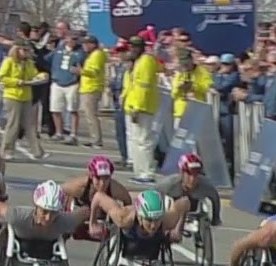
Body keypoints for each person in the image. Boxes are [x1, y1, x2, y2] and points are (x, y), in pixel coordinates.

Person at [89, 189, 190, 266]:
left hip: (149, 252)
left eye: (157, 219)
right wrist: (92, 223)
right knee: (117, 231)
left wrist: (178, 230)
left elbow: (185, 202)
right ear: (140, 217)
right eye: (149, 220)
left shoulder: (166, 220)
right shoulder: (123, 217)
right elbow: (98, 197)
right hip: (125, 248)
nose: (153, 225)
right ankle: (114, 263)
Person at [0, 180, 90, 261]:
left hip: (46, 248)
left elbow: (86, 211)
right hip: (19, 243)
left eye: (53, 213)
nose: (48, 218)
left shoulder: (65, 221)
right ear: (36, 207)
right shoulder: (18, 215)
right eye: (44, 212)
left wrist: (93, 221)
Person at [61, 155, 133, 242]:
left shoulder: (115, 188)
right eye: (98, 178)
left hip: (102, 224)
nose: (102, 184)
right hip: (78, 220)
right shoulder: (79, 186)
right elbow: (59, 192)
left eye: (106, 178)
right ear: (91, 176)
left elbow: (128, 201)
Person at [0, 40, 46, 161]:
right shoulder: (9, 61)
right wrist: (16, 82)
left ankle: (37, 151)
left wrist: (41, 76)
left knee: (30, 125)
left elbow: (34, 75)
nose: (26, 53)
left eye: (27, 50)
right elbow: (2, 77)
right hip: (12, 95)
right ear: (17, 50)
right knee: (13, 124)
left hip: (26, 96)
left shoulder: (29, 63)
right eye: (24, 50)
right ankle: (7, 150)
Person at [122, 36, 161, 183]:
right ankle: (139, 171)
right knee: (136, 140)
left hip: (142, 107)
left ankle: (147, 172)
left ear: (142, 47)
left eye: (135, 46)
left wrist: (137, 108)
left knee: (144, 141)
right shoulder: (137, 62)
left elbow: (143, 87)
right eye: (131, 46)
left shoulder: (146, 61)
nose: (132, 49)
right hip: (134, 106)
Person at [155, 153, 222, 226]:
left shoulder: (206, 185)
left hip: (195, 207)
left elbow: (215, 198)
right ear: (181, 173)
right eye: (189, 174)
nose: (192, 179)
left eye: (196, 175)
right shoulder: (170, 183)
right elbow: (153, 193)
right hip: (173, 209)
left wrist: (215, 218)